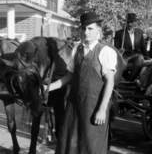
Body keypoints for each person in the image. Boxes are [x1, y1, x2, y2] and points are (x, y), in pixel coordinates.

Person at [46, 12, 117, 154]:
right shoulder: (76, 50)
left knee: (91, 145)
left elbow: (110, 82)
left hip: (94, 106)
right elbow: (69, 77)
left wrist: (102, 109)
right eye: (83, 28)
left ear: (98, 30)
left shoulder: (106, 52)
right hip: (74, 105)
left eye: (90, 28)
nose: (86, 32)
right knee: (70, 142)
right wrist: (47, 88)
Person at [114, 13, 149, 81]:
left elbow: (142, 46)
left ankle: (130, 79)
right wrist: (119, 51)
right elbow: (116, 47)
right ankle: (124, 78)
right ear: (126, 22)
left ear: (135, 22)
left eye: (131, 22)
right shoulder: (119, 33)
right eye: (128, 22)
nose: (129, 24)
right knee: (122, 65)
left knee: (140, 58)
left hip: (136, 54)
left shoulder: (139, 32)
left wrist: (147, 57)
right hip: (124, 54)